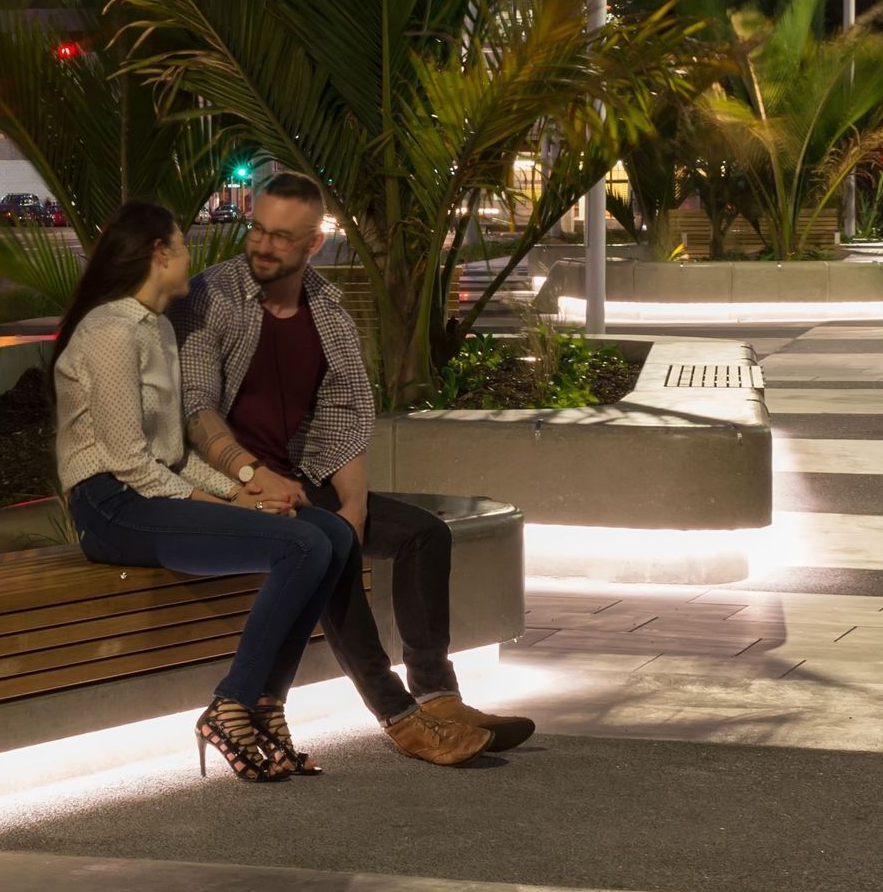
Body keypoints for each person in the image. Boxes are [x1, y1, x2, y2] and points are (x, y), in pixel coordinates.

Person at [173, 172, 528, 766]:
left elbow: (344, 415)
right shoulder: (212, 298)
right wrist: (252, 478)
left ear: (313, 244)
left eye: (281, 237)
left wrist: (356, 503)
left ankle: (438, 695)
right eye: (257, 229)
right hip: (229, 487)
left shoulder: (328, 313)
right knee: (327, 541)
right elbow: (195, 406)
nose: (261, 245)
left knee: (424, 535)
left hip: (302, 478)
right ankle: (399, 716)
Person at [53, 199, 356, 783]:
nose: (193, 257)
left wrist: (245, 485)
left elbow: (173, 451)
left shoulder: (158, 327)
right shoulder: (111, 332)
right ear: (158, 255)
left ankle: (266, 706)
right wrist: (219, 504)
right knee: (300, 546)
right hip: (112, 507)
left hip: (152, 497)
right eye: (184, 245)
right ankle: (232, 705)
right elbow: (128, 461)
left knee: (333, 534)